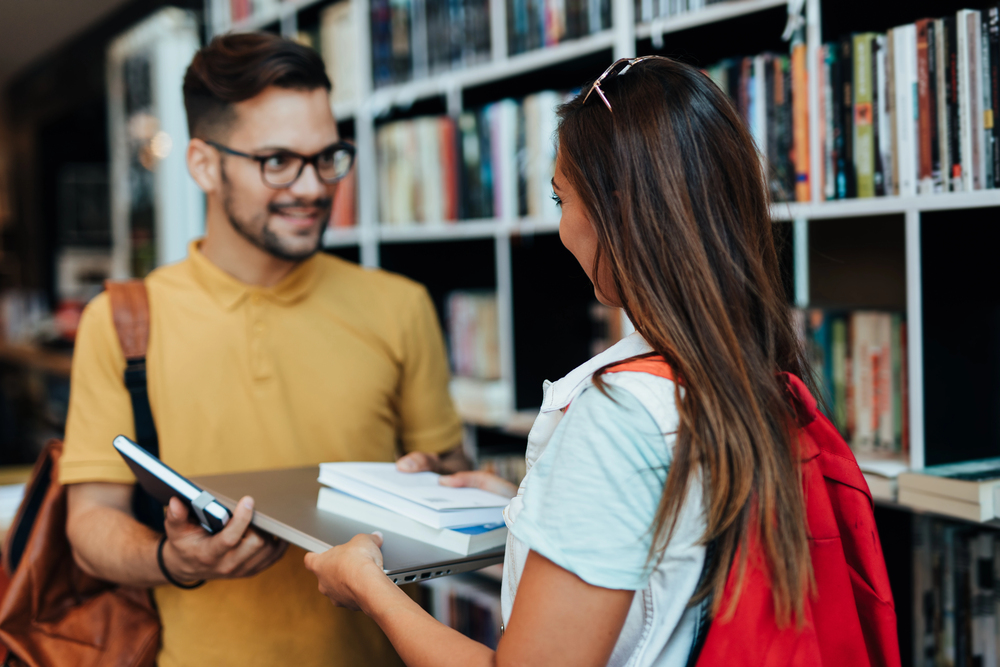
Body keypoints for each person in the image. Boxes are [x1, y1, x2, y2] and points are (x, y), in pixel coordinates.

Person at [303, 56, 828, 666]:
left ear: (618, 211)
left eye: (561, 199)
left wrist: (368, 586)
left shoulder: (621, 418)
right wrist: (533, 504)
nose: (560, 230)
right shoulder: (749, 369)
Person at [62, 33, 468, 667]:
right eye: (277, 160)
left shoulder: (400, 305)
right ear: (204, 164)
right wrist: (174, 559)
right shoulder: (121, 320)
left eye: (327, 157)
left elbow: (451, 470)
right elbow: (90, 523)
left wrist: (432, 483)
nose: (312, 187)